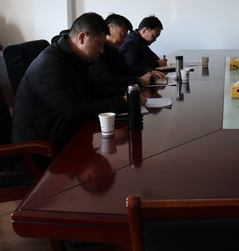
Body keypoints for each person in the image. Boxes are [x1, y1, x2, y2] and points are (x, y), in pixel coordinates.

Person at [12, 12, 141, 149]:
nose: (102, 51)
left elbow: (94, 91)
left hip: (67, 133)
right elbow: (73, 111)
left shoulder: (75, 58)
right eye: (99, 44)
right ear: (82, 37)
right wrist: (123, 102)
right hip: (41, 148)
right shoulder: (49, 64)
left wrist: (131, 94)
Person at [89, 13, 165, 89]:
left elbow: (126, 70)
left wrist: (148, 73)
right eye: (122, 35)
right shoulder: (96, 51)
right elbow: (106, 80)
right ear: (109, 28)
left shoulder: (114, 49)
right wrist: (139, 80)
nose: (124, 41)